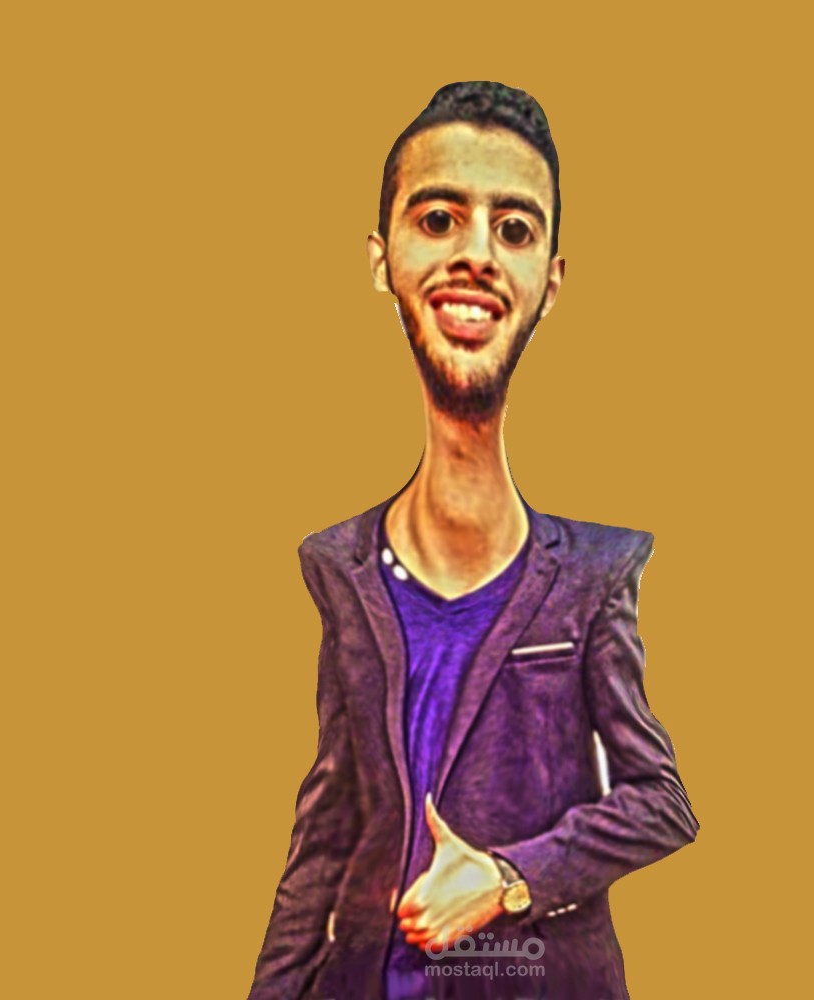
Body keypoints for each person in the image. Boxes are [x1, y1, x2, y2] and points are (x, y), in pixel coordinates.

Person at [246, 81, 699, 1000]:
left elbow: (663, 802)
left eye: (514, 229)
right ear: (382, 258)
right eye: (438, 218)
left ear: (550, 283)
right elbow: (325, 835)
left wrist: (506, 879)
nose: (476, 254)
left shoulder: (595, 575)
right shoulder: (338, 568)